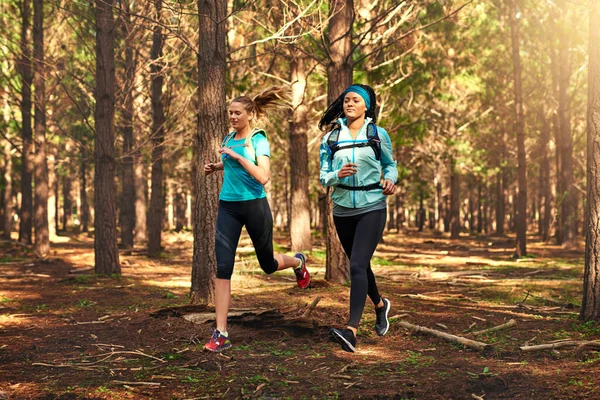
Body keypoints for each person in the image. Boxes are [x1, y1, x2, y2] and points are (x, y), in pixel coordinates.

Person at [203, 87, 311, 352]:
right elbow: (234, 167)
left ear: (250, 114)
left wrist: (238, 156)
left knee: (268, 264)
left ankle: (298, 261)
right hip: (228, 206)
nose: (232, 117)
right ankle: (221, 333)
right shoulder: (229, 137)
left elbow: (263, 176)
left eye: (237, 112)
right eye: (230, 113)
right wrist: (217, 166)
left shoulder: (258, 139)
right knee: (223, 268)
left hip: (254, 207)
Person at [318, 84, 398, 353]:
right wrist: (335, 176)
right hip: (342, 209)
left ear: (366, 106)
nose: (349, 104)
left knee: (357, 265)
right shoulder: (331, 138)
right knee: (359, 265)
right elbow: (323, 174)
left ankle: (351, 331)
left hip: (372, 206)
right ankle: (379, 305)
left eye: (355, 100)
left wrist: (390, 180)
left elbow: (390, 165)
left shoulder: (377, 135)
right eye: (346, 100)